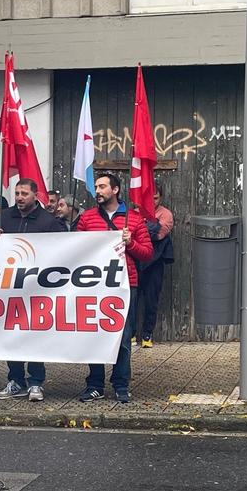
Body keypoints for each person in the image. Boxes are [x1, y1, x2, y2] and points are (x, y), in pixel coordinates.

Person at [77, 172, 152, 404]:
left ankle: (121, 384)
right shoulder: (87, 218)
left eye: (102, 187)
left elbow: (147, 253)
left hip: (125, 284)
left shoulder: (134, 219)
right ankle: (95, 384)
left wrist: (131, 243)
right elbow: (75, 249)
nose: (98, 191)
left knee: (123, 336)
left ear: (116, 190)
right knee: (94, 334)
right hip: (94, 284)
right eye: (96, 187)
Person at [0, 178, 65, 402]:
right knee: (11, 335)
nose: (20, 197)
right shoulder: (4, 217)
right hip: (9, 288)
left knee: (33, 336)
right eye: (17, 193)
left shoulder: (48, 221)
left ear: (35, 195)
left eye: (24, 193)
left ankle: (35, 382)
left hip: (37, 290)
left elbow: (62, 249)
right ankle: (15, 380)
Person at [138, 183, 174, 348]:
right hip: (136, 259)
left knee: (151, 300)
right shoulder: (137, 211)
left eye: (156, 198)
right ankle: (131, 333)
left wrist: (142, 229)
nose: (152, 201)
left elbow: (159, 234)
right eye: (149, 198)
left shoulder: (166, 214)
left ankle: (147, 334)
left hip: (155, 262)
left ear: (161, 197)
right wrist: (150, 228)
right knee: (133, 298)